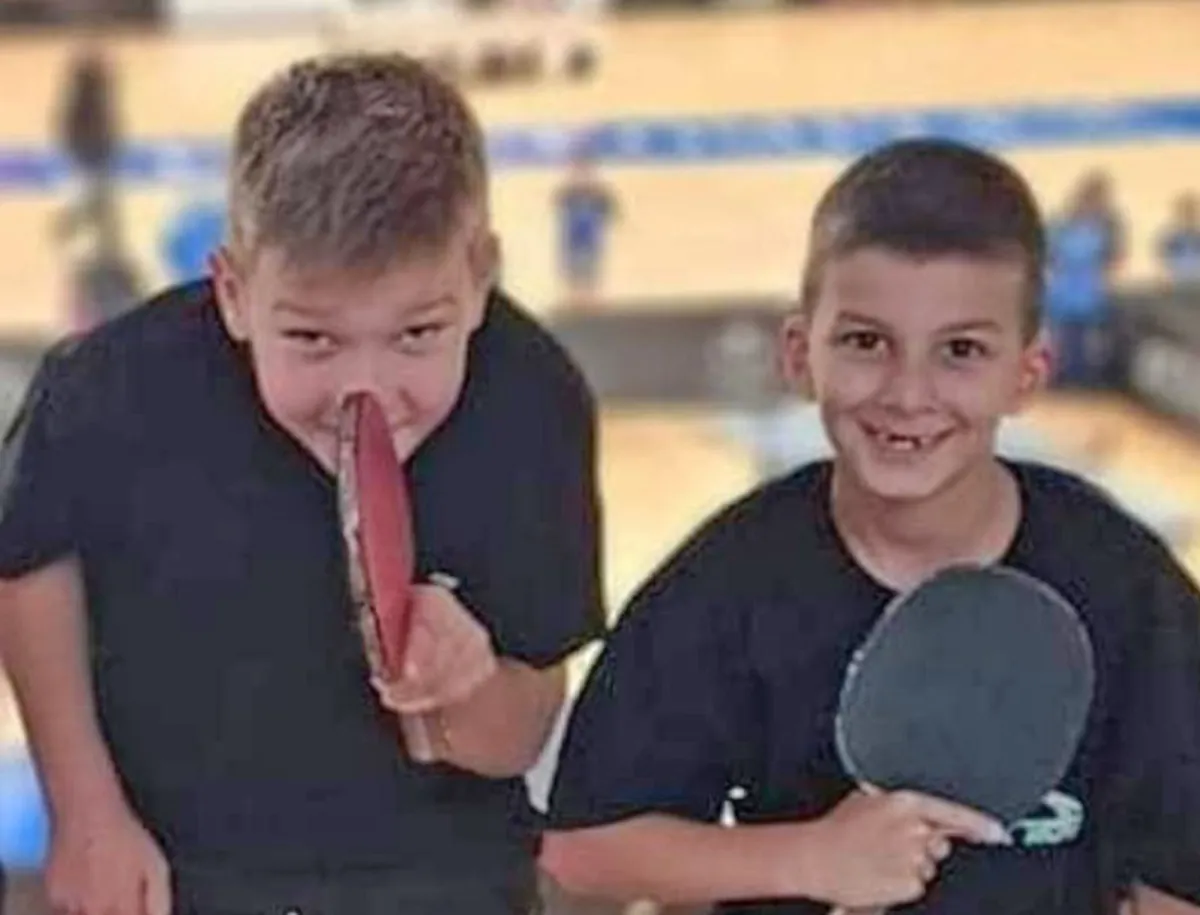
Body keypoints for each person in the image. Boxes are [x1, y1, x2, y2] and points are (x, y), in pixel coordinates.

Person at [0, 52, 605, 915]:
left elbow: (518, 733)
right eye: (314, 339)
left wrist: (462, 685)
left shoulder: (534, 403)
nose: (366, 391)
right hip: (178, 871)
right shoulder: (108, 388)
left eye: (416, 333)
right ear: (234, 290)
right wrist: (85, 808)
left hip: (442, 876)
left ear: (480, 278)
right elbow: (28, 558)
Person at [540, 139, 1200, 915]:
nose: (908, 393)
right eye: (865, 342)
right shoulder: (730, 582)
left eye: (961, 350)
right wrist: (812, 857)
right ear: (800, 354)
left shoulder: (1125, 586)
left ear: (1027, 374)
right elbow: (583, 851)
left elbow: (1175, 876)